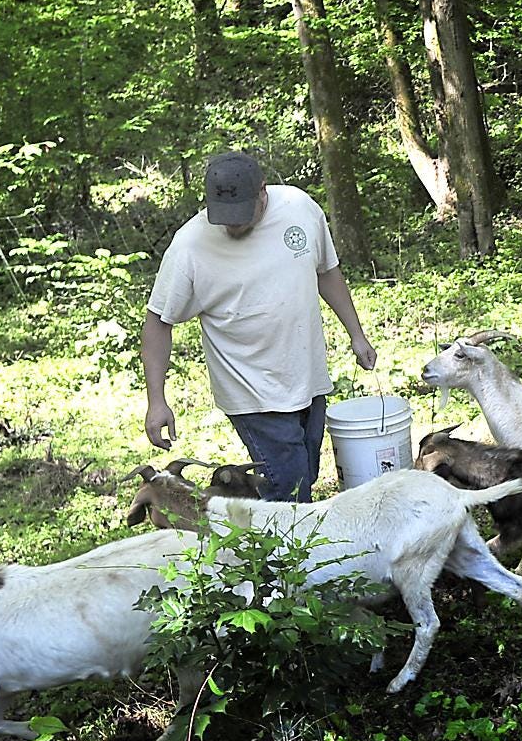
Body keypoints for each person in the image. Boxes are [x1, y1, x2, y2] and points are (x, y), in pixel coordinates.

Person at [142, 152, 376, 502]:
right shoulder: (190, 245)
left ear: (262, 192)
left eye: (240, 216)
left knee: (303, 474)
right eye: (224, 217)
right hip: (250, 390)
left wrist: (357, 335)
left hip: (307, 375)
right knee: (289, 490)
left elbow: (326, 272)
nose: (232, 226)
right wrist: (156, 401)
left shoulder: (299, 208)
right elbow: (158, 323)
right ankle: (280, 555)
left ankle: (248, 524)